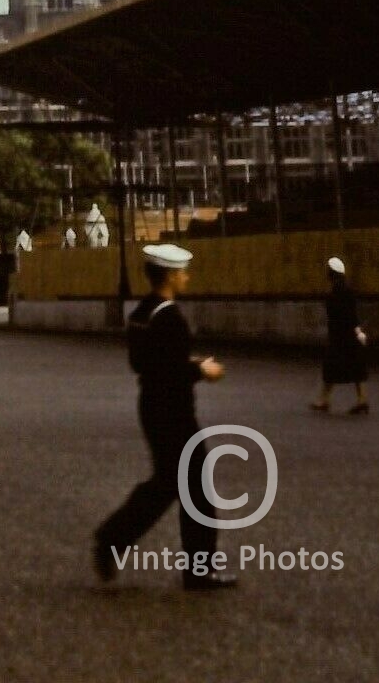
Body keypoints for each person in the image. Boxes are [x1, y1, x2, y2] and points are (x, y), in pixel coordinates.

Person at [93, 243, 236, 593]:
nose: (187, 277)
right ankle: (197, 571)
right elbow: (171, 370)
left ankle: (113, 539)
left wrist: (189, 364)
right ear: (171, 276)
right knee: (194, 488)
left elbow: (144, 364)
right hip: (174, 410)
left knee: (168, 484)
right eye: (183, 272)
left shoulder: (141, 313)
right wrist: (203, 370)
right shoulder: (170, 316)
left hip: (151, 406)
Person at [310, 256, 369, 416]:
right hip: (351, 334)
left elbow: (333, 317)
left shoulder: (333, 294)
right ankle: (362, 399)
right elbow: (353, 315)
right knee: (357, 368)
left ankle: (324, 399)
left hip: (338, 336)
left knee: (330, 368)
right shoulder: (349, 291)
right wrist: (358, 331)